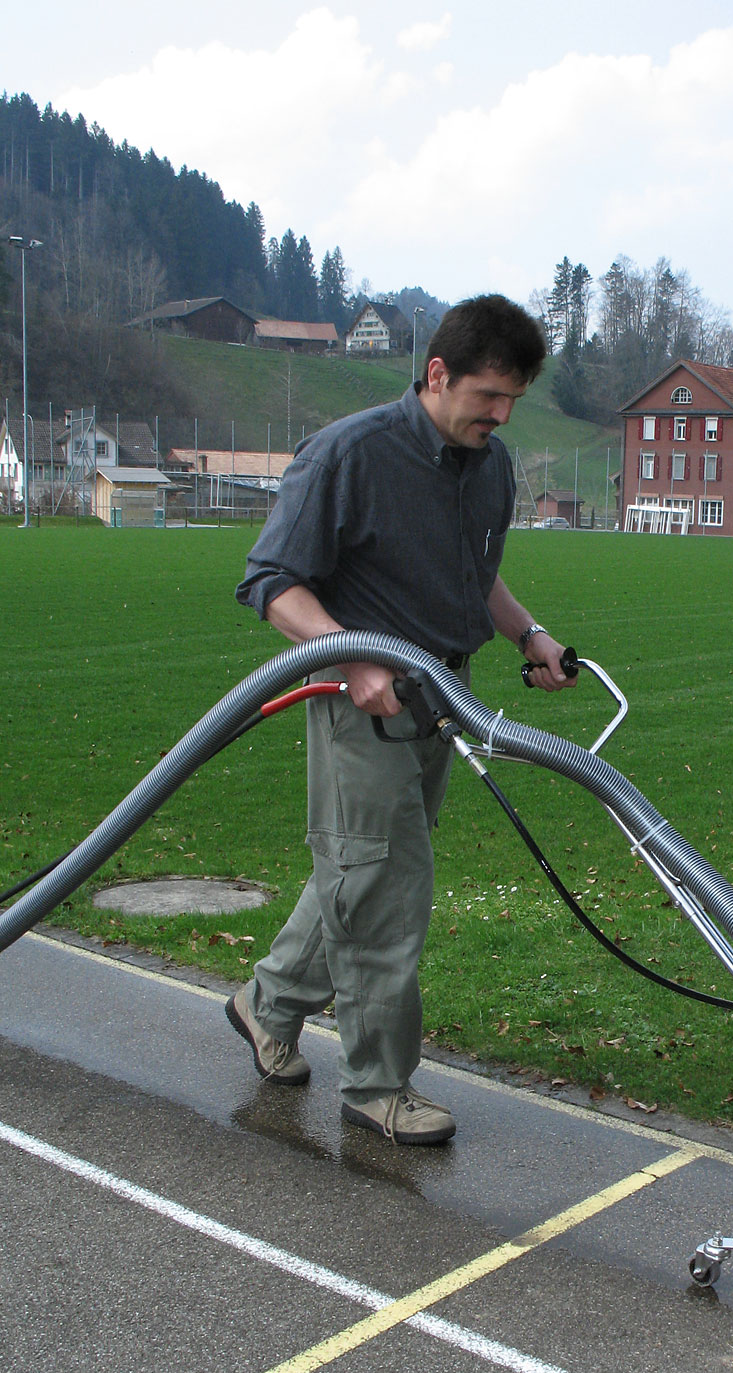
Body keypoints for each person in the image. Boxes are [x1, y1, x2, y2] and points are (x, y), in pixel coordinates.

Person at [226, 293, 570, 1145]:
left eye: (513, 401)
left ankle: (267, 1002)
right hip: (361, 703)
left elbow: (474, 574)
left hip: (440, 695)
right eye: (488, 396)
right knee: (388, 882)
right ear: (437, 373)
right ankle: (378, 1085)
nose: (500, 415)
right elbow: (272, 582)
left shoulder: (488, 464)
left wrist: (529, 634)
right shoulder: (349, 454)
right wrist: (353, 659)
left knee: (362, 866)